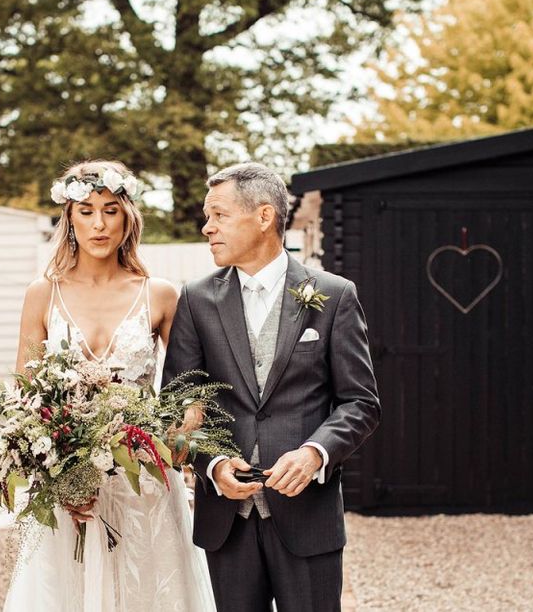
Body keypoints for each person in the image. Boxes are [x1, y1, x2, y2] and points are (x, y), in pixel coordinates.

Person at [162, 162, 381, 612]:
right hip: (227, 520)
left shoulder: (334, 294)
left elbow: (360, 402)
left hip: (308, 516)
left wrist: (314, 453)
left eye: (219, 215)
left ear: (264, 217)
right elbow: (175, 406)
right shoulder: (196, 299)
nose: (208, 228)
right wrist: (213, 465)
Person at [3, 161, 216, 612]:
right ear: (70, 219)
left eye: (111, 210)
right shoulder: (42, 294)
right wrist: (60, 477)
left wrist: (180, 437)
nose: (99, 224)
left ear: (128, 218)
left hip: (144, 481)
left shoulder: (159, 294)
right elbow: (26, 396)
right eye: (86, 211)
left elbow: (186, 390)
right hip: (68, 485)